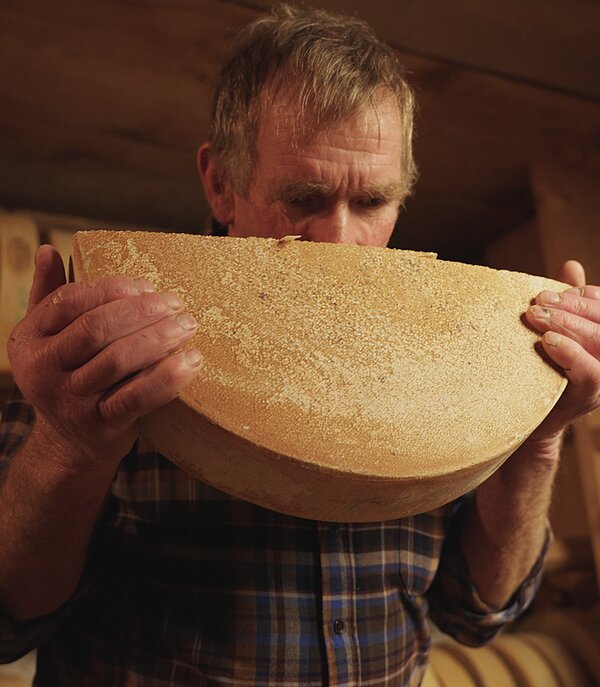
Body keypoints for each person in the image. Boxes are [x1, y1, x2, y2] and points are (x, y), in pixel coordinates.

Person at [1, 5, 599, 686]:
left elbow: (478, 612)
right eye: (305, 197)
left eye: (373, 202)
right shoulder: (98, 347)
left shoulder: (440, 357)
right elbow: (7, 618)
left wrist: (539, 436)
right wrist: (66, 445)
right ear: (221, 181)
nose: (340, 242)